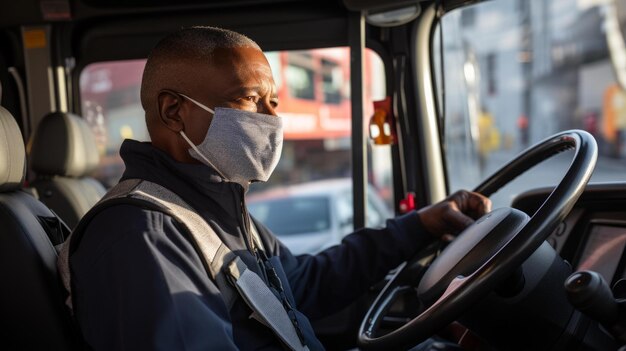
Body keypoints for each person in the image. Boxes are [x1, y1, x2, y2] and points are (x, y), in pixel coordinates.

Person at [65, 26, 491, 350]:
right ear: (174, 111)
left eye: (274, 101)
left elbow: (304, 286)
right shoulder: (143, 237)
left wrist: (419, 225)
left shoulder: (216, 209)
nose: (272, 118)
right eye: (249, 99)